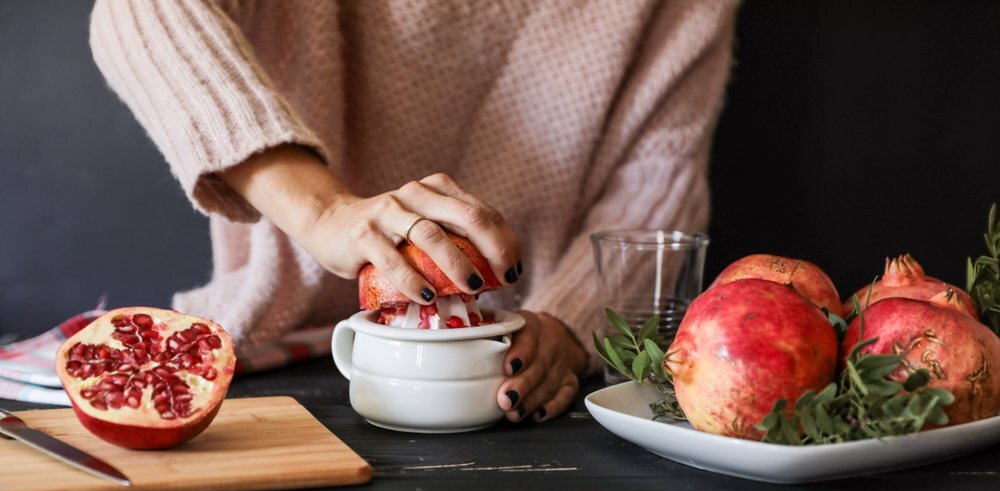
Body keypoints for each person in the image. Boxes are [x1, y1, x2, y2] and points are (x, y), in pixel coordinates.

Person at [89, 0, 738, 422]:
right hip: (269, 372)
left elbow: (653, 188)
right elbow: (141, 14)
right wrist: (324, 212)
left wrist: (564, 329)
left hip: (518, 391)